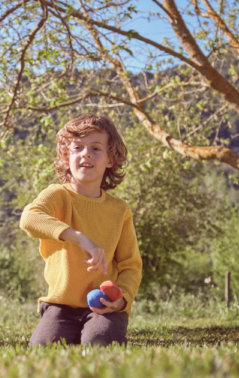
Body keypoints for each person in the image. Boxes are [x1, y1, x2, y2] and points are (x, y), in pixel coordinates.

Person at [20, 114, 142, 346]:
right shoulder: (57, 195)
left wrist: (122, 299)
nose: (86, 153)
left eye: (96, 148)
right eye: (78, 148)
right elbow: (29, 218)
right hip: (59, 306)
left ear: (110, 159)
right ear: (67, 157)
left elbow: (131, 265)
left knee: (98, 341)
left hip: (104, 306)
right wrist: (77, 237)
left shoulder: (119, 210)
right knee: (44, 348)